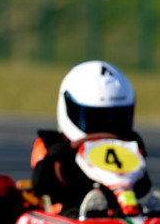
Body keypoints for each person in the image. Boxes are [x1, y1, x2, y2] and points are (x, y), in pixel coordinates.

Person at [30, 60, 151, 215]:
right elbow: (40, 185)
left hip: (119, 211)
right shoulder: (54, 146)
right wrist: (63, 155)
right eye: (96, 119)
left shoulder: (131, 144)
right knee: (68, 211)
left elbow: (143, 187)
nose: (106, 128)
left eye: (116, 118)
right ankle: (92, 211)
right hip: (67, 216)